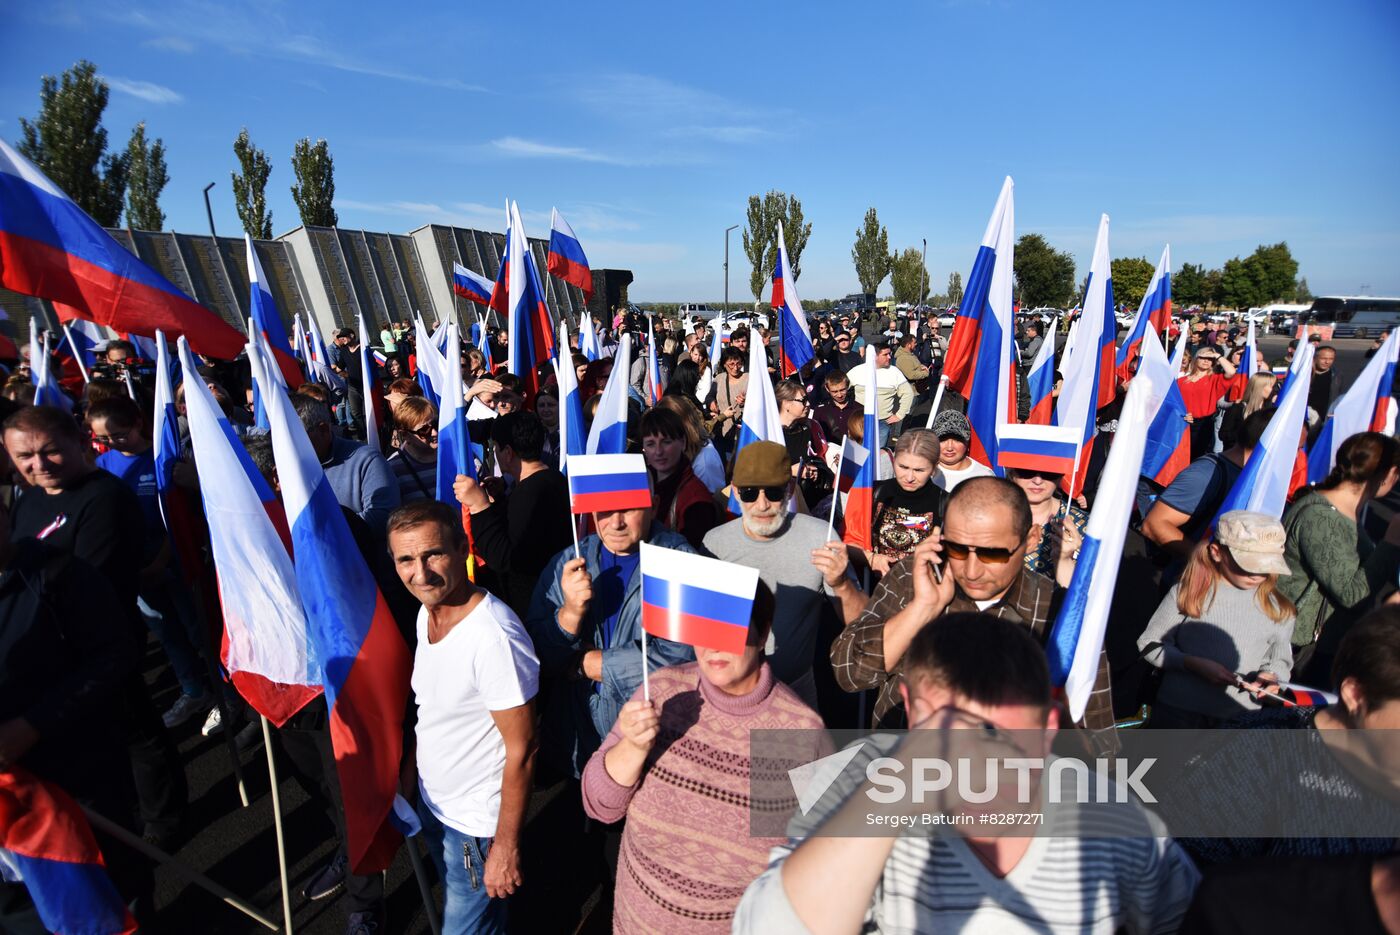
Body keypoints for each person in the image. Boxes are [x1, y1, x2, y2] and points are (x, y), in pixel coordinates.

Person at [736, 613, 1199, 934]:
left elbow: (1190, 919)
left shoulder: (1115, 821)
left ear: (1046, 731)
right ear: (913, 717)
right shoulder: (857, 777)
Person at [581, 582, 824, 934]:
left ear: (763, 632)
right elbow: (598, 805)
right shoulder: (663, 692)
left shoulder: (796, 732)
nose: (713, 644)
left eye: (731, 629)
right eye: (704, 629)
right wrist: (632, 748)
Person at [3, 405, 187, 848]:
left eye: (50, 451)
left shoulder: (103, 498)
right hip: (44, 657)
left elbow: (93, 577)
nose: (38, 464)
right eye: (24, 456)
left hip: (100, 645)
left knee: (135, 731)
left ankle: (165, 821)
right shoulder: (27, 499)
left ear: (81, 443)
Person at [831, 477, 1116, 741]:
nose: (971, 570)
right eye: (956, 549)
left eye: (992, 553)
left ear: (1030, 540)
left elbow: (1098, 740)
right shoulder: (914, 577)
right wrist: (922, 608)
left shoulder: (1059, 615)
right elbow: (850, 673)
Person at [389, 501, 537, 934]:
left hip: (475, 826)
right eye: (406, 560)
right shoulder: (426, 612)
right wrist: (412, 770)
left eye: (432, 554)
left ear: (461, 548)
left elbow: (523, 750)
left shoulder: (494, 638)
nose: (421, 573)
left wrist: (505, 847)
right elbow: (431, 708)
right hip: (435, 804)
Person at [525, 486, 696, 778]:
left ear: (653, 506)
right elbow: (533, 658)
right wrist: (569, 615)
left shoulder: (681, 564)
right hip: (573, 749)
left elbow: (684, 659)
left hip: (650, 752)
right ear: (591, 510)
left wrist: (589, 664)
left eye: (628, 509)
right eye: (605, 509)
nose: (615, 522)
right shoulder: (566, 563)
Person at [702, 442, 868, 707]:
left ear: (790, 488)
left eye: (774, 492)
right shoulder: (714, 544)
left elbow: (862, 622)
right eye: (748, 493)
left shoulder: (819, 536)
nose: (762, 504)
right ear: (734, 491)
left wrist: (842, 584)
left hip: (795, 696)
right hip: (727, 696)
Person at [88, 397, 213, 729]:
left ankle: (225, 695)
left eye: (118, 434)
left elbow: (183, 518)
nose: (111, 443)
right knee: (168, 634)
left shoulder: (164, 459)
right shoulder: (103, 467)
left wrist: (160, 561)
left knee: (198, 630)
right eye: (104, 437)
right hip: (137, 570)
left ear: (138, 424)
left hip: (174, 561)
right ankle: (193, 690)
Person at [1137, 511, 1297, 727]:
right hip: (1177, 712)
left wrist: (1270, 678)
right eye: (1248, 565)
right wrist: (1191, 663)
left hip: (1239, 718)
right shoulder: (1189, 592)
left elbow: (1279, 660)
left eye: (1267, 567)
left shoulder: (1280, 610)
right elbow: (1149, 644)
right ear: (1216, 552)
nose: (1257, 575)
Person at [1279, 431, 1400, 683]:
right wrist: (1390, 543)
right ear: (1387, 474)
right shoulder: (1321, 518)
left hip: (1323, 647)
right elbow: (1351, 594)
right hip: (1299, 652)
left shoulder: (1342, 512)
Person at [454, 412, 574, 617]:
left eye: (496, 449)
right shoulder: (554, 479)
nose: (497, 455)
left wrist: (480, 506)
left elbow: (505, 558)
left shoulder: (530, 492)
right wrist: (501, 500)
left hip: (539, 606)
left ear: (507, 452)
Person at [1142, 407, 1273, 560]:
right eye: (1295, 449)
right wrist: (1211, 562)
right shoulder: (1207, 473)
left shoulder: (1258, 479)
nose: (1297, 457)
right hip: (1191, 579)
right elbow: (1153, 525)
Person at [292, 395, 400, 539]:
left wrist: (321, 530)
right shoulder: (279, 472)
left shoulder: (365, 460)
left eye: (294, 437)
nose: (285, 446)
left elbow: (384, 517)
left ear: (323, 430)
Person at [867, 429, 947, 574]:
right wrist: (870, 558)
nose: (909, 477)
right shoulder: (875, 491)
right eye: (903, 467)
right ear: (894, 459)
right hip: (872, 588)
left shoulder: (946, 503)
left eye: (919, 470)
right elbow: (847, 540)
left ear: (934, 468)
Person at [638, 406, 717, 549]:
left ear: (683, 442)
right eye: (650, 444)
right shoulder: (639, 485)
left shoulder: (696, 500)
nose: (658, 451)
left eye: (666, 442)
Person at [1007, 462, 1086, 587]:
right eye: (1026, 471)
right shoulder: (988, 517)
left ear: (1061, 475)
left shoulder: (1084, 525)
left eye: (1049, 472)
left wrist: (1064, 561)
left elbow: (1088, 595)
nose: (1038, 480)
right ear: (1011, 471)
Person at [775, 379, 831, 509]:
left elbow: (820, 459)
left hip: (808, 504)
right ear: (786, 404)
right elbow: (756, 473)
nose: (808, 404)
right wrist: (789, 471)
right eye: (803, 400)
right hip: (780, 506)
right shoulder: (767, 433)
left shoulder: (809, 428)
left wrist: (816, 471)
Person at [848, 342, 914, 447]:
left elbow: (908, 393)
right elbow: (842, 387)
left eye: (889, 354)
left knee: (878, 456)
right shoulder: (858, 371)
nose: (889, 357)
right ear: (875, 356)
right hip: (860, 422)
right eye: (885, 354)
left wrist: (899, 415)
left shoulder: (894, 372)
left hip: (882, 422)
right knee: (858, 454)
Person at [1178, 346, 1238, 459]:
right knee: (1180, 456)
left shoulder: (1215, 379)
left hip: (1203, 424)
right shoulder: (1181, 381)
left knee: (1196, 456)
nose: (1206, 360)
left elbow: (1231, 372)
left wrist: (1217, 356)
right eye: (1203, 357)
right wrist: (1181, 415)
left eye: (1210, 359)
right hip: (1183, 422)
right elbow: (1174, 403)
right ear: (1196, 359)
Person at [387, 396, 439, 503]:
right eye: (424, 430)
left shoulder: (455, 454)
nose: (434, 433)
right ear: (405, 435)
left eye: (436, 424)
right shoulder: (393, 469)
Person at [929, 410, 993, 492]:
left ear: (967, 441)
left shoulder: (984, 475)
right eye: (943, 439)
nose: (949, 448)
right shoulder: (921, 470)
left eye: (957, 440)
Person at [1218, 372, 1276, 450]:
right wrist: (1247, 434)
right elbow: (1223, 434)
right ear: (1260, 387)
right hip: (1238, 456)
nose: (1274, 389)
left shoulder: (1269, 409)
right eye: (1272, 386)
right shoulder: (1238, 408)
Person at [710, 347, 748, 453]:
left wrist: (746, 402)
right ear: (724, 364)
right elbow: (709, 397)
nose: (736, 368)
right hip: (721, 432)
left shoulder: (748, 378)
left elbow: (759, 405)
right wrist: (711, 403)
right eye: (731, 364)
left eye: (739, 364)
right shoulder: (719, 379)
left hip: (742, 434)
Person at [811, 369, 862, 444]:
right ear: (827, 389)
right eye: (834, 391)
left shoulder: (859, 409)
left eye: (842, 390)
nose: (839, 395)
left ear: (848, 386)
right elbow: (815, 437)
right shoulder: (820, 410)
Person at [1309, 344, 1339, 422]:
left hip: (1325, 416)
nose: (1327, 362)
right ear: (1315, 358)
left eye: (1331, 359)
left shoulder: (1336, 376)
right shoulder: (1306, 374)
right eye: (1323, 358)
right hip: (1306, 414)